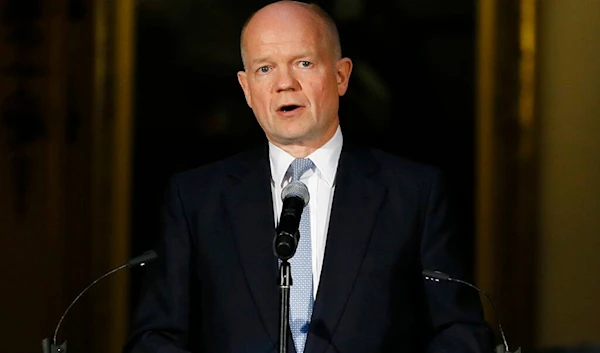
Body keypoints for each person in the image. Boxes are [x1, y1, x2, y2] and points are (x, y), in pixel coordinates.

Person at [124, 1, 495, 352]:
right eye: (265, 68)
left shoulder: (414, 194)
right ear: (246, 88)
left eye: (302, 63)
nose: (284, 83)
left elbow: (460, 332)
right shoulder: (195, 200)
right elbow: (156, 337)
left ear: (341, 75)